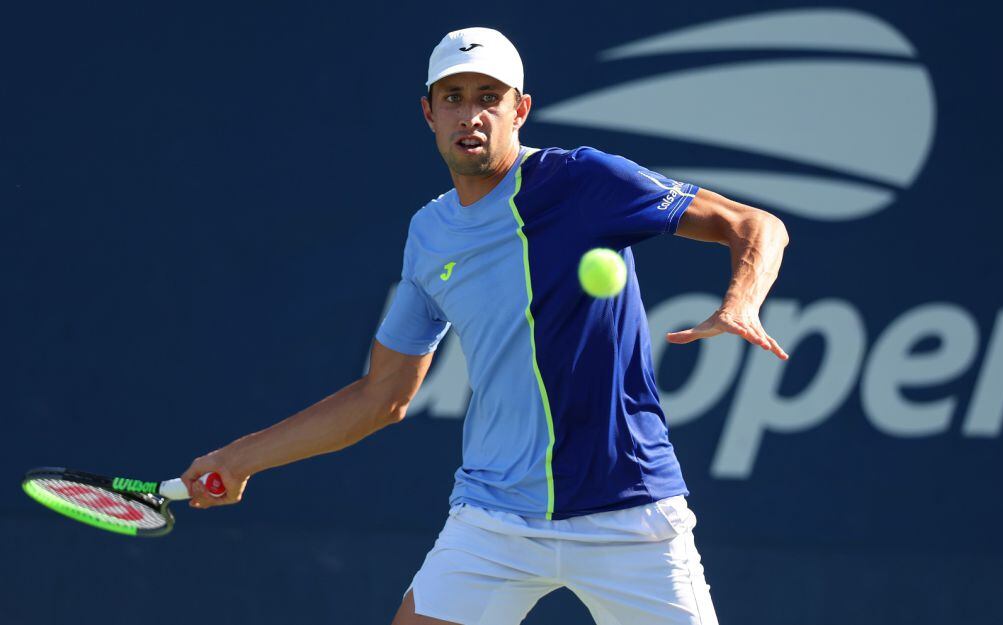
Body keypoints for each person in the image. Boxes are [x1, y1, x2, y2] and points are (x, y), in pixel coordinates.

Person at [182, 26, 790, 625]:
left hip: (629, 511)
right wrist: (239, 460)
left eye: (488, 98)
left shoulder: (583, 182)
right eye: (453, 98)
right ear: (428, 113)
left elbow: (755, 224)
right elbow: (381, 397)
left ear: (520, 110)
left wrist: (741, 303)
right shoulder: (429, 235)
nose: (469, 115)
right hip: (495, 519)